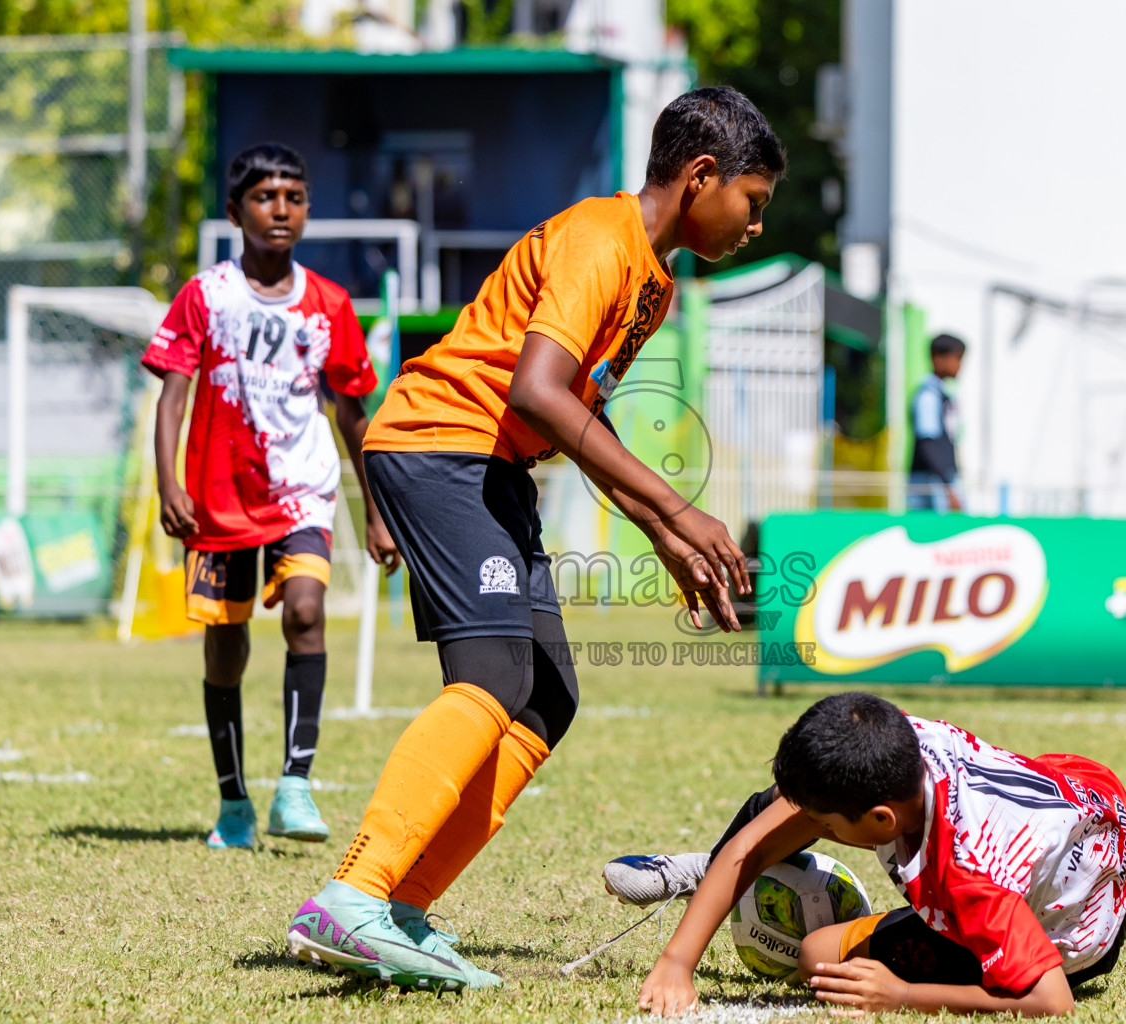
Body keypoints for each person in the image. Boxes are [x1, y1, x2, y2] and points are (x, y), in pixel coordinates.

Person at [284, 86, 784, 992]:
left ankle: (399, 909)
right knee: (494, 677)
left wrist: (658, 532)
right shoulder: (602, 239)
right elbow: (537, 391)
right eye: (752, 203)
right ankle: (351, 894)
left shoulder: (654, 281)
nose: (754, 226)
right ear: (702, 176)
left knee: (546, 695)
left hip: (495, 467)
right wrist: (680, 510)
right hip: (442, 442)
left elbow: (575, 413)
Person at [142, 143, 396, 851]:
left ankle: (295, 784)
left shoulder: (330, 305)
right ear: (235, 212)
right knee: (224, 651)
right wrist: (169, 480)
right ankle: (233, 804)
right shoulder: (206, 296)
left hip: (300, 494)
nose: (281, 209)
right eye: (265, 197)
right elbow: (173, 393)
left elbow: (352, 414)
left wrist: (376, 511)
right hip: (218, 500)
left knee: (308, 612)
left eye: (294, 196)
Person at [626, 693, 1126, 1018]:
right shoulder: (899, 744)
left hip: (1066, 940)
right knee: (774, 811)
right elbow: (751, 843)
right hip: (1081, 814)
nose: (816, 831)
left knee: (817, 958)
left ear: (881, 821)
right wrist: (676, 963)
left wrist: (903, 996)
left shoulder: (970, 875)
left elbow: (1051, 1001)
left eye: (825, 827)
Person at [908, 334, 965, 512]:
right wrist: (948, 488)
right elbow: (928, 445)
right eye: (956, 358)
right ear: (937, 359)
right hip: (931, 483)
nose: (959, 365)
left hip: (942, 481)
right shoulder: (927, 397)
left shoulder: (944, 396)